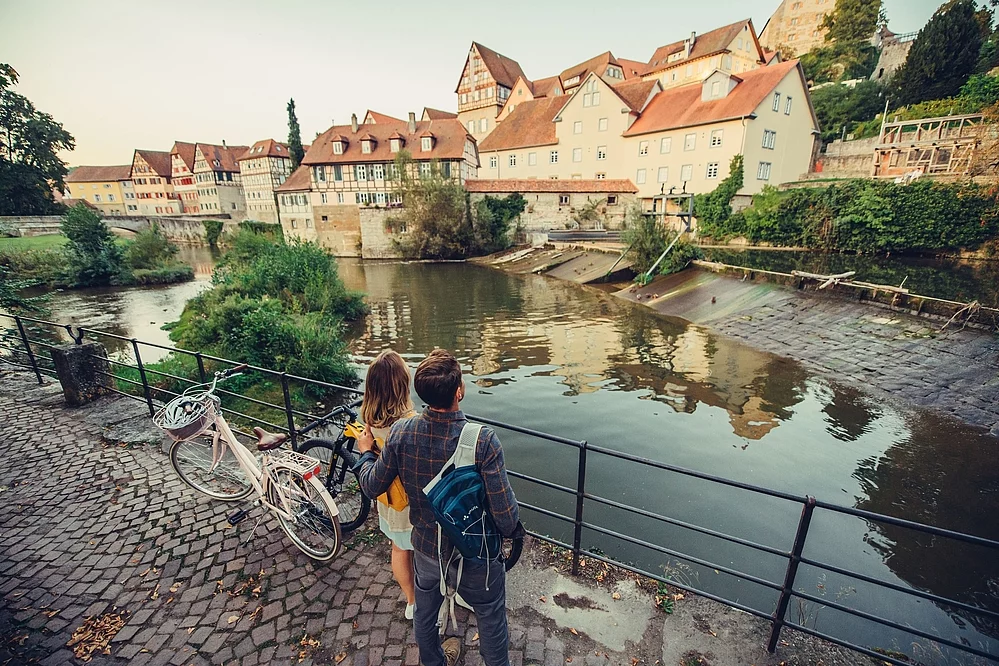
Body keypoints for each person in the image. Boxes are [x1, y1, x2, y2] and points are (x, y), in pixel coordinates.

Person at [356, 349, 520, 666]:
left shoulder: (402, 433)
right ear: (459, 391)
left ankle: (434, 661)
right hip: (476, 553)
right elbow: (506, 518)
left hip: (427, 551)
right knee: (490, 616)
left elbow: (372, 486)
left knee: (424, 613)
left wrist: (365, 453)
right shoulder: (483, 441)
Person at [359, 350, 417, 620]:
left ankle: (411, 601)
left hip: (390, 500)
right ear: (402, 385)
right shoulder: (410, 423)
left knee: (399, 549)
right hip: (413, 504)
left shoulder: (371, 421)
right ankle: (430, 596)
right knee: (422, 551)